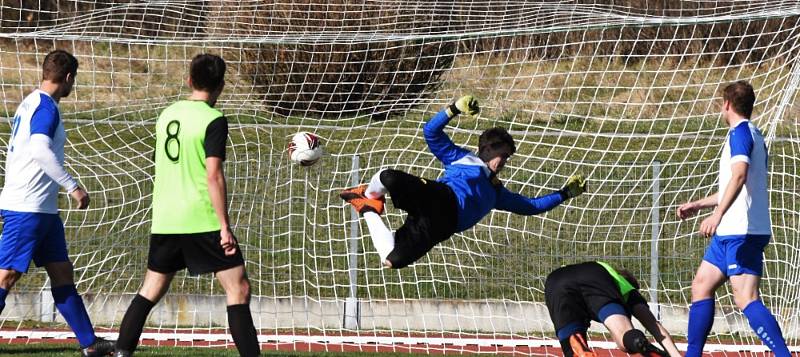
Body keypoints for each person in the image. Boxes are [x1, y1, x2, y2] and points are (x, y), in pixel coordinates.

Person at [113, 54, 260, 357]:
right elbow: (213, 175)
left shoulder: (167, 114)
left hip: (166, 218)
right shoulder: (213, 120)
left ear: (189, 80)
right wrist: (224, 226)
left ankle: (122, 352)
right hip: (201, 219)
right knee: (238, 289)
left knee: (151, 290)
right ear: (221, 85)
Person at [340, 96, 586, 269]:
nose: (504, 161)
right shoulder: (461, 158)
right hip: (440, 197)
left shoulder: (497, 193)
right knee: (388, 177)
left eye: (508, 157)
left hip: (441, 227)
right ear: (487, 148)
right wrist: (454, 109)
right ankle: (370, 193)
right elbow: (430, 132)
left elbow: (533, 206)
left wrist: (565, 193)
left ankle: (368, 207)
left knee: (392, 259)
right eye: (503, 153)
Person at [0, 49, 115, 357]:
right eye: (73, 80)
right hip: (27, 207)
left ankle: (90, 344)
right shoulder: (46, 107)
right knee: (6, 276)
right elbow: (39, 149)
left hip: (43, 210)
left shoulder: (30, 102)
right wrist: (73, 186)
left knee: (62, 272)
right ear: (67, 78)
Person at [677, 80, 790, 357]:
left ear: (726, 105)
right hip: (730, 232)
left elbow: (739, 175)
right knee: (702, 285)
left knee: (745, 297)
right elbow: (735, 183)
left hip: (741, 231)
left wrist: (717, 214)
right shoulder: (752, 133)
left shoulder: (740, 133)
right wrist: (699, 204)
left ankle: (783, 354)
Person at [545, 262, 680, 357]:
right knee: (625, 338)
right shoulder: (624, 285)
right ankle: (638, 342)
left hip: (556, 281)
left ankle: (581, 353)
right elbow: (652, 323)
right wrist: (675, 354)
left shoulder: (610, 273)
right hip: (595, 278)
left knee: (575, 348)